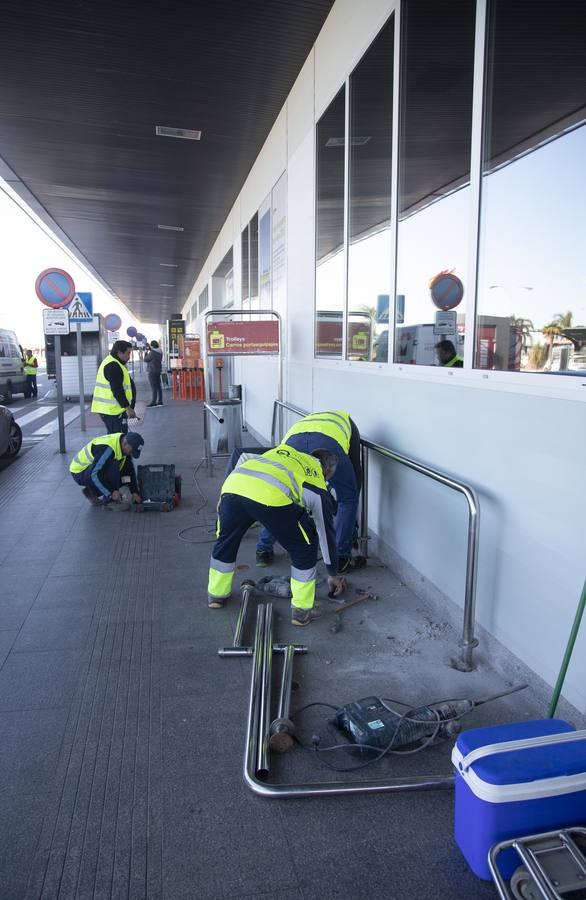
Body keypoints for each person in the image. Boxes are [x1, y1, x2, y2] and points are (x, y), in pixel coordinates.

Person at [208, 444, 347, 626]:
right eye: (330, 476)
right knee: (304, 546)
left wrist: (223, 496)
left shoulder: (285, 452)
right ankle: (302, 610)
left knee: (226, 541)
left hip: (233, 487)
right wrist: (332, 572)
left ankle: (216, 595)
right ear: (327, 471)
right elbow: (325, 531)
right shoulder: (316, 480)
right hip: (269, 496)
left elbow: (243, 455)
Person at [254, 410, 362, 575]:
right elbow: (354, 474)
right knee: (348, 498)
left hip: (292, 443)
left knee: (284, 495)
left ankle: (263, 550)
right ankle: (341, 558)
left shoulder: (312, 419)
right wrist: (349, 524)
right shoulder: (349, 425)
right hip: (329, 443)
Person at [69, 432, 144, 508]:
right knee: (114, 467)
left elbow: (130, 470)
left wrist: (134, 492)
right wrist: (111, 492)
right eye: (131, 451)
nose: (131, 454)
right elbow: (95, 474)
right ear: (125, 444)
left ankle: (92, 491)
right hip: (79, 471)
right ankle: (109, 500)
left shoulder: (123, 442)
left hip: (93, 469)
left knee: (125, 478)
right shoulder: (107, 449)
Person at [91, 340, 136, 434]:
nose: (129, 356)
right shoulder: (113, 366)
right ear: (119, 352)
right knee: (116, 439)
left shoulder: (115, 363)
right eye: (128, 353)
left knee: (120, 437)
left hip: (114, 410)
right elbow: (117, 390)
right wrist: (129, 408)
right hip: (112, 411)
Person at [144, 340, 163, 407]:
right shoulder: (160, 351)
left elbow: (145, 359)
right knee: (158, 386)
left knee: (153, 387)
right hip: (158, 370)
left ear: (152, 346)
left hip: (152, 371)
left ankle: (153, 402)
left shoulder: (152, 353)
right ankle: (160, 402)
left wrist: (146, 352)